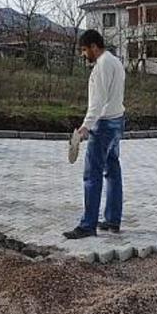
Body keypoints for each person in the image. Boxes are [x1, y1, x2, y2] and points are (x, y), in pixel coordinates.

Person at [63, 30, 126, 239]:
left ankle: (88, 224)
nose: (83, 54)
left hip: (104, 125)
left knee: (92, 174)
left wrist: (85, 127)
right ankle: (112, 220)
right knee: (113, 171)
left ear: (93, 46)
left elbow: (98, 101)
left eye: (83, 50)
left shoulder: (102, 66)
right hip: (117, 120)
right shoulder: (115, 61)